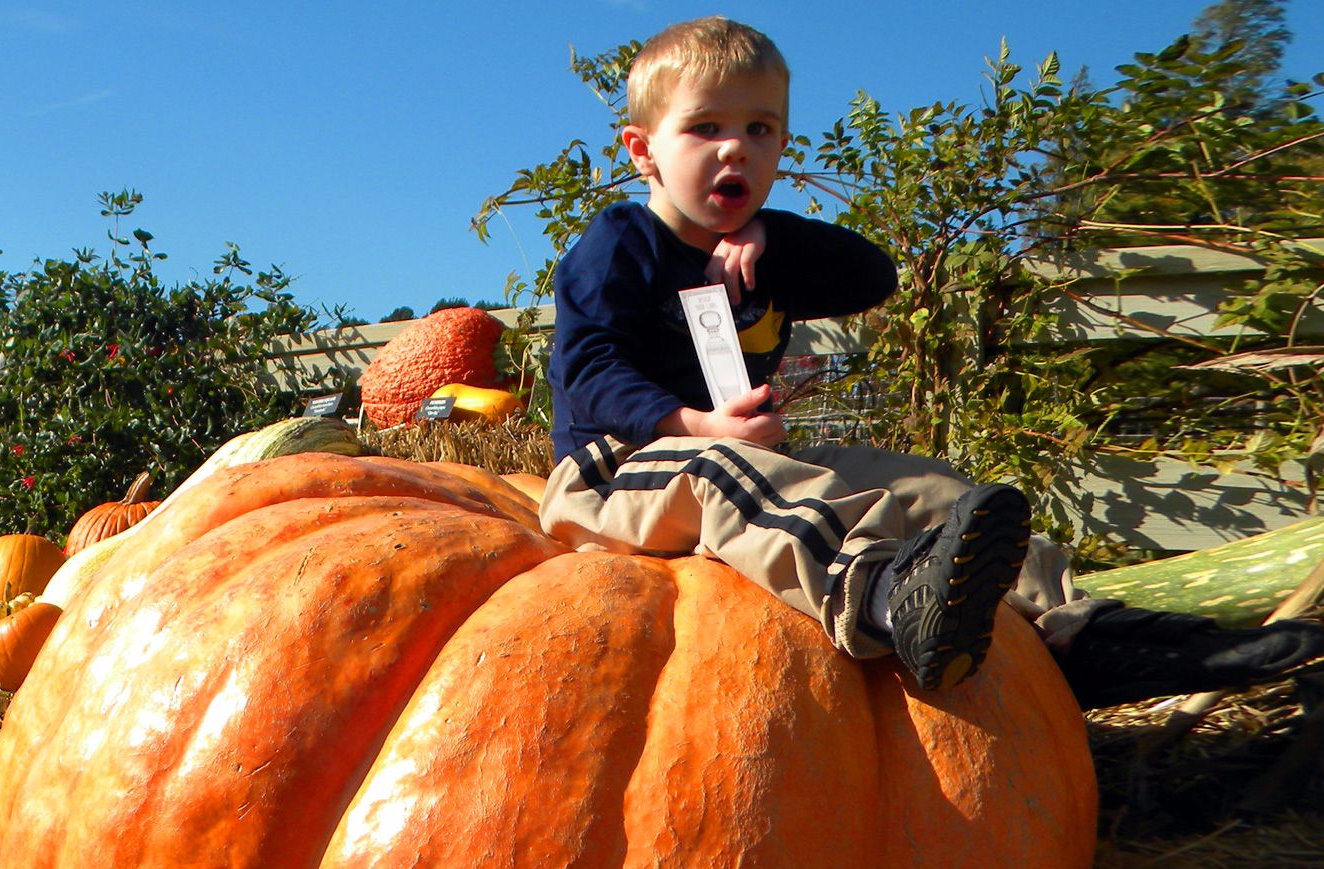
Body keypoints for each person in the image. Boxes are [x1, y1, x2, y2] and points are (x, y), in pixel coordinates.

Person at [539, 15, 1324, 707]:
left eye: (761, 128)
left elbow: (870, 277)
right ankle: (882, 597)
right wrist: (695, 423)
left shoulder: (764, 250)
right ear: (644, 151)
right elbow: (589, 371)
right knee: (728, 475)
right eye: (705, 127)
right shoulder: (619, 248)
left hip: (747, 461)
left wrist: (774, 239)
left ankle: (1076, 631)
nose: (735, 146)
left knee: (930, 487)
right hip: (619, 474)